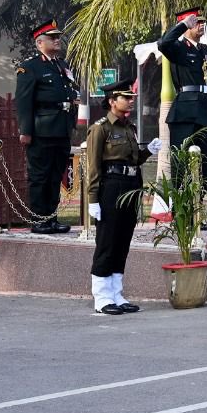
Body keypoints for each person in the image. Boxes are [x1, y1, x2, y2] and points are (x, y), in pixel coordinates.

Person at [85, 80, 162, 314]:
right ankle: (102, 297)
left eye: (131, 97)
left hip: (130, 184)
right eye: (125, 97)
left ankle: (117, 294)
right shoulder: (100, 128)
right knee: (107, 241)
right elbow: (93, 167)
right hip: (110, 187)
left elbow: (134, 159)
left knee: (122, 242)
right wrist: (93, 199)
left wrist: (148, 151)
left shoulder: (129, 128)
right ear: (112, 101)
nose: (131, 100)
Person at [14, 19, 79, 234]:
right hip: (42, 128)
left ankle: (52, 218)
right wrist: (26, 130)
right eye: (53, 37)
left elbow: (71, 94)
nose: (57, 40)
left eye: (58, 37)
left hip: (61, 128)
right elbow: (24, 101)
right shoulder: (30, 67)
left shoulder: (62, 65)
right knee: (40, 176)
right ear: (40, 42)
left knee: (55, 176)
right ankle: (39, 219)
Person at [157, 8, 207, 190]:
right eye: (196, 22)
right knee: (182, 163)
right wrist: (182, 25)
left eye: (202, 22)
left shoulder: (205, 49)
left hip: (205, 110)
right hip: (186, 111)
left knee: (203, 163)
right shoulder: (179, 47)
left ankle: (197, 213)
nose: (201, 25)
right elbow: (163, 43)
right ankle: (182, 215)